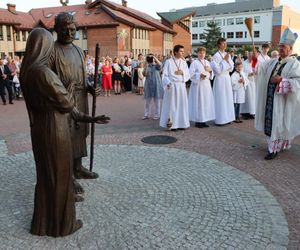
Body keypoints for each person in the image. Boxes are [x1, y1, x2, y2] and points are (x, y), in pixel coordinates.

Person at [20, 28, 82, 237]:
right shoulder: (44, 72)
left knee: (46, 177)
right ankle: (64, 225)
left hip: (39, 128)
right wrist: (71, 89)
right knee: (60, 175)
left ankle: (42, 224)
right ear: (45, 46)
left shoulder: (26, 71)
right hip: (54, 127)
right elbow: (65, 103)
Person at [50, 12, 109, 197]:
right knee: (65, 139)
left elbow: (82, 77)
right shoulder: (51, 51)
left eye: (73, 29)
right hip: (63, 102)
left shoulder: (77, 50)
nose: (69, 32)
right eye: (65, 29)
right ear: (56, 30)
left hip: (81, 99)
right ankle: (68, 177)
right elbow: (49, 80)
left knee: (79, 134)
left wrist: (90, 87)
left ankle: (78, 167)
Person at [255, 28, 300, 160]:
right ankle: (274, 146)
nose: (281, 49)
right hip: (270, 99)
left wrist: (282, 80)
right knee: (272, 122)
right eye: (280, 46)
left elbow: (298, 82)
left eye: (283, 47)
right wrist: (255, 58)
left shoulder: (294, 64)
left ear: (290, 49)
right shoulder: (274, 61)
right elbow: (262, 68)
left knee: (280, 123)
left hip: (283, 101)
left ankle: (274, 149)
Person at [160, 45, 190, 131]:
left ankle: (181, 124)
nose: (182, 53)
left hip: (181, 86)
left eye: (183, 51)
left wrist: (182, 72)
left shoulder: (184, 62)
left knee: (181, 105)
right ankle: (173, 124)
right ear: (176, 52)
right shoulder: (168, 62)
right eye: (181, 51)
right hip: (172, 86)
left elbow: (188, 74)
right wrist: (168, 83)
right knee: (172, 105)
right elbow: (164, 74)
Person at [188, 47, 215, 128]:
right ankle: (198, 121)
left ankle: (203, 120)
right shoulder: (194, 63)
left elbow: (211, 74)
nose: (202, 54)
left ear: (205, 54)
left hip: (206, 85)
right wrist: (199, 75)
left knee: (205, 102)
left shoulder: (207, 62)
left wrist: (210, 71)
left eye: (203, 53)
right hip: (198, 86)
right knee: (199, 103)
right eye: (200, 53)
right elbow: (191, 74)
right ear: (197, 54)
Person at [211, 38, 235, 126]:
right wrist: (225, 61)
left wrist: (227, 61)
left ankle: (228, 117)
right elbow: (217, 70)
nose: (225, 45)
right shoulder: (216, 56)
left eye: (226, 43)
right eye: (223, 43)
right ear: (219, 45)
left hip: (226, 78)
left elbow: (232, 67)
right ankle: (220, 119)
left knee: (227, 98)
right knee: (221, 98)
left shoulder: (226, 54)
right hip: (220, 79)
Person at [143, 54, 164, 120]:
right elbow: (144, 74)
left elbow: (160, 65)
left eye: (150, 58)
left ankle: (157, 115)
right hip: (148, 85)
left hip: (156, 84)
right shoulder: (147, 66)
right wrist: (146, 65)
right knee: (147, 102)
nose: (150, 59)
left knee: (157, 101)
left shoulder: (156, 66)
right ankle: (146, 115)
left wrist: (154, 57)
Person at [240, 51, 256, 119]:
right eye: (250, 56)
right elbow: (241, 72)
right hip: (246, 82)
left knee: (252, 98)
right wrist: (248, 74)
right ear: (248, 56)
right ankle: (244, 112)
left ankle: (251, 112)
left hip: (253, 83)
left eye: (252, 56)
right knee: (246, 98)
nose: (251, 57)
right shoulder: (243, 63)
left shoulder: (255, 63)